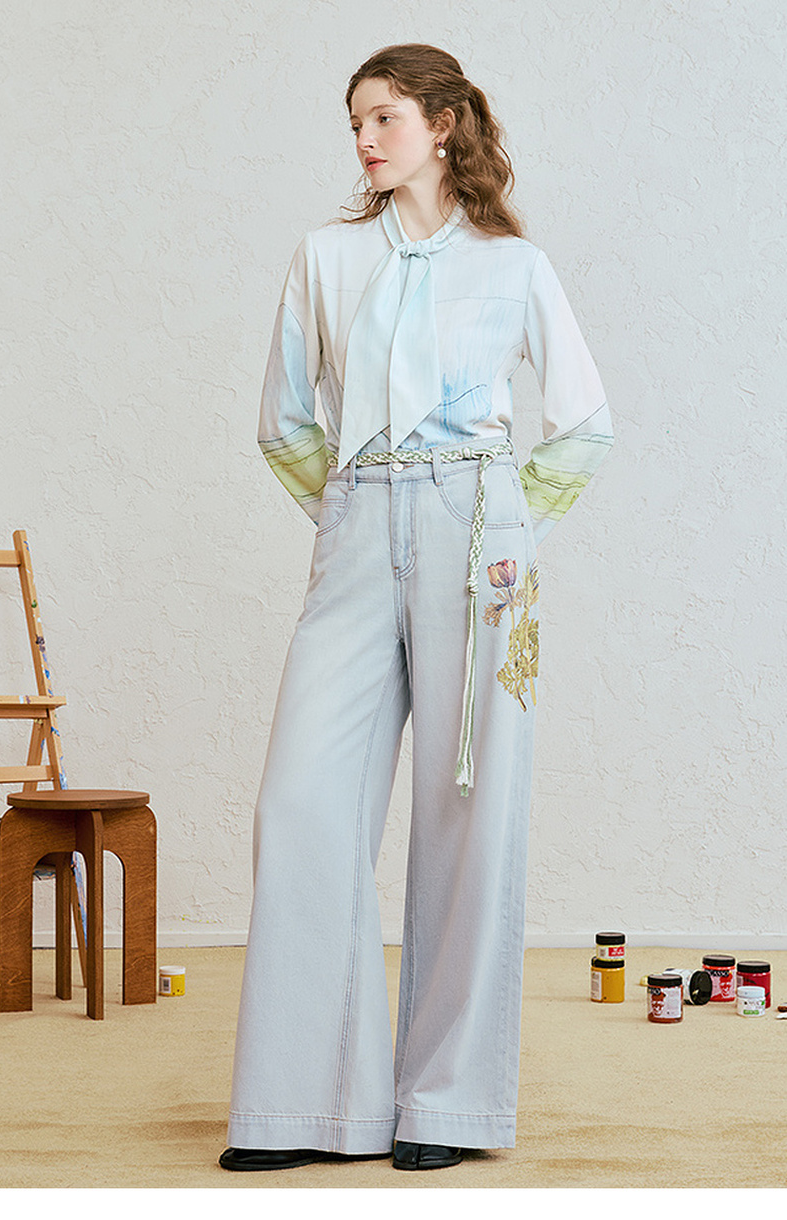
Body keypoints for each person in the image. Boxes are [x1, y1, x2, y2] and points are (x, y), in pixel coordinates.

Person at [219, 42, 613, 1174]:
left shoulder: (514, 266)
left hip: (478, 536)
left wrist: (508, 528)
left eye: (383, 117)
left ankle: (446, 1103)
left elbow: (583, 423)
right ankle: (305, 1107)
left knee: (470, 808)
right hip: (358, 524)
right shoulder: (326, 257)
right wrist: (347, 516)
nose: (363, 139)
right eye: (354, 121)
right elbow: (282, 419)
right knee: (301, 803)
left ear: (442, 125)